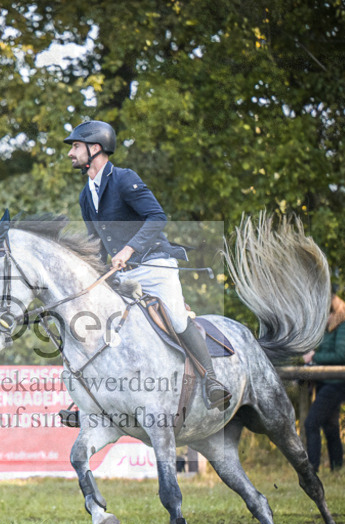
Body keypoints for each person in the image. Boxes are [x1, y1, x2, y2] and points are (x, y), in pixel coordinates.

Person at [64, 120, 231, 410]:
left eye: (75, 146)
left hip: (154, 265)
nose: (70, 153)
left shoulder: (124, 178)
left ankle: (212, 379)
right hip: (120, 275)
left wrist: (129, 249)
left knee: (177, 319)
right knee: (98, 322)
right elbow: (96, 243)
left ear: (95, 148)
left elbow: (158, 217)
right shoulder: (85, 195)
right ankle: (91, 399)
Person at [302, 294, 345, 472]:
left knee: (311, 423)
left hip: (336, 383)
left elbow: (341, 356)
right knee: (330, 427)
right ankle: (337, 468)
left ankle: (312, 469)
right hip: (326, 382)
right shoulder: (331, 329)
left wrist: (314, 357)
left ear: (332, 312)